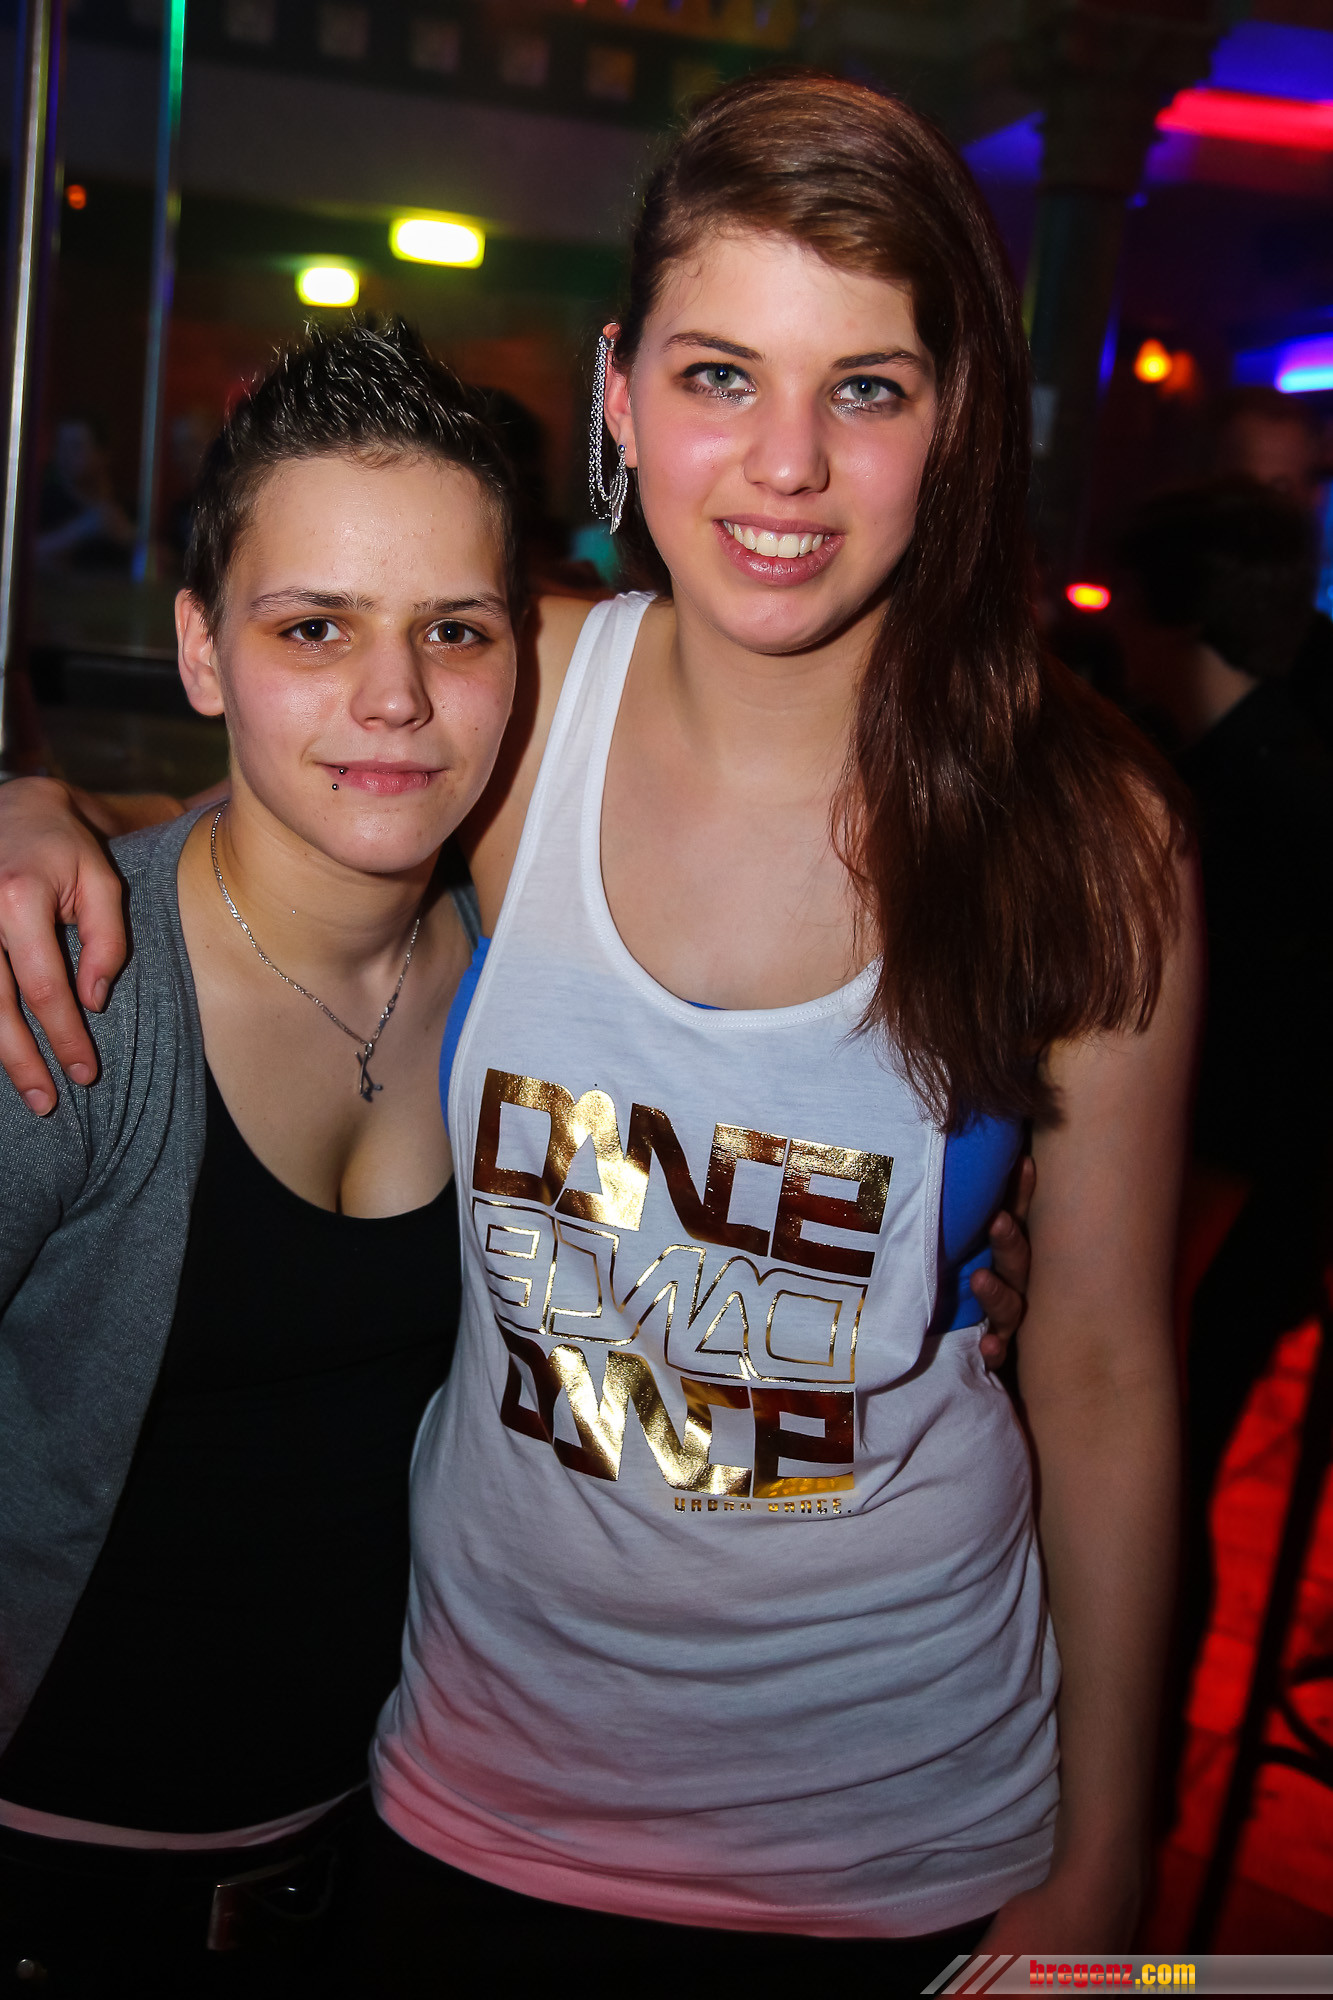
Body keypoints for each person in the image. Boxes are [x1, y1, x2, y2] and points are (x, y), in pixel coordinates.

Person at [0, 76, 1187, 1986]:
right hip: (472, 1791)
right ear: (620, 393)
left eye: (863, 388)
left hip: (897, 1824)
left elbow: (1110, 1369)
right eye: (721, 376)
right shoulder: (520, 689)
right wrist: (35, 809)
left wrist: (1104, 1867)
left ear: (956, 417)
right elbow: (295, 806)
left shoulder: (1086, 830)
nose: (785, 465)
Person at [0, 320, 522, 1996]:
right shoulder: (62, 990)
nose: (396, 697)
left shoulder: (538, 997)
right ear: (203, 653)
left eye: (455, 629)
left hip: (373, 1868)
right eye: (314, 627)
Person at [1116, 478, 1333, 1775]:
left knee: (1162, 1489)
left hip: (1228, 1231)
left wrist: (1159, 1291)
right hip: (1232, 1220)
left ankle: (1134, 1778)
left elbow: (1251, 1091)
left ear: (1173, 614)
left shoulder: (1254, 803)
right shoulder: (1247, 762)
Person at [1207, 386, 1333, 751]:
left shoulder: (1321, 659)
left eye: (1281, 490)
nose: (1260, 512)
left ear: (1311, 496)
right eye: (1245, 486)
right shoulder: (1161, 620)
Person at [34, 417, 136, 574]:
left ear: (103, 454)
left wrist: (130, 538)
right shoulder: (43, 501)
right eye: (60, 446)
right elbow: (22, 552)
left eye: (76, 446)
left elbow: (157, 559)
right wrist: (81, 529)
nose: (65, 454)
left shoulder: (127, 506)